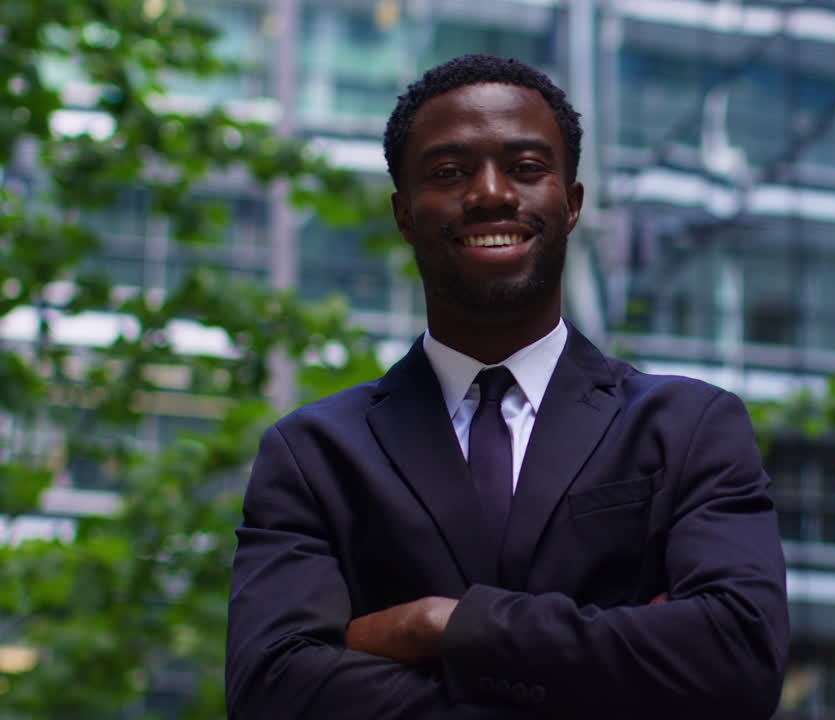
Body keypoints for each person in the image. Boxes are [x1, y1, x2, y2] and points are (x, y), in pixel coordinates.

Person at [225, 54, 789, 719]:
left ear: (571, 203)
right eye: (449, 172)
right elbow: (273, 692)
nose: (491, 192)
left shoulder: (688, 427)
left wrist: (438, 627)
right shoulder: (315, 454)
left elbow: (737, 659)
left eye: (525, 168)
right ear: (404, 215)